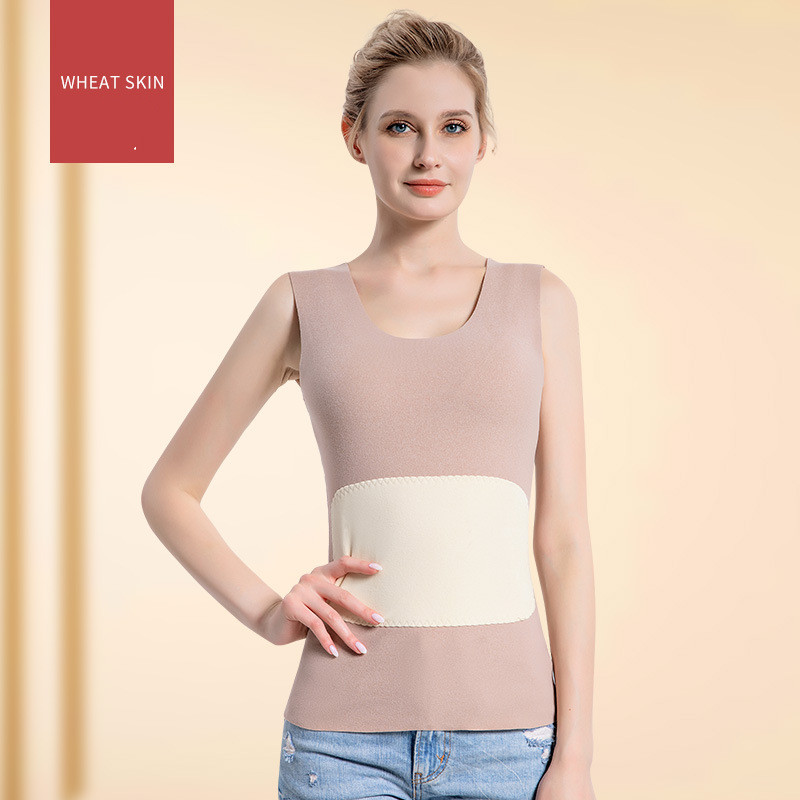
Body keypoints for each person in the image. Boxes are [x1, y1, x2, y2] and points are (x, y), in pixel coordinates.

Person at [141, 9, 596, 800]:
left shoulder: (541, 300)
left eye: (453, 127)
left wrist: (576, 758)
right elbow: (169, 491)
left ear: (482, 140)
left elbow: (562, 541)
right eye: (399, 127)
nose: (428, 155)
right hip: (339, 747)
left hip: (513, 745)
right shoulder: (300, 303)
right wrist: (268, 611)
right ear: (355, 138)